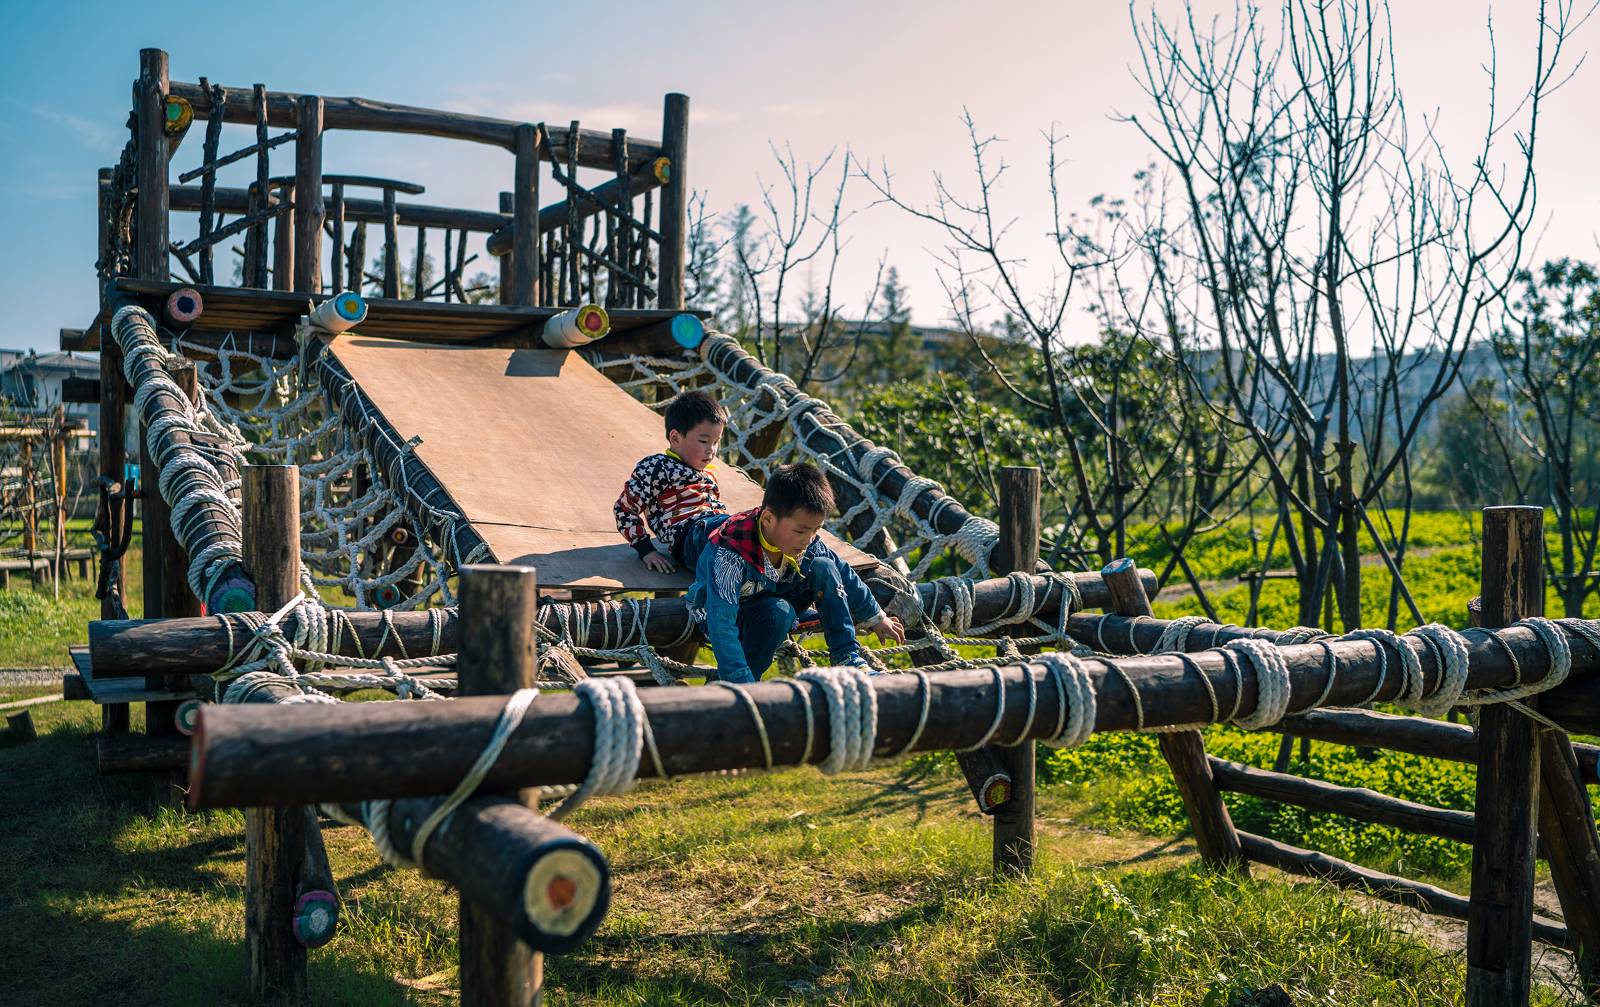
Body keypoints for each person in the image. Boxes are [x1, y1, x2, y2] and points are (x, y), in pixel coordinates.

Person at [687, 462, 905, 684]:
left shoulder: (805, 543)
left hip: (769, 593)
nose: (808, 539)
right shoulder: (730, 555)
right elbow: (721, 622)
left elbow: (843, 572)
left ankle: (846, 656)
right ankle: (741, 682)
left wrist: (877, 617)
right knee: (779, 612)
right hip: (722, 609)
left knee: (825, 566)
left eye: (815, 530)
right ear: (768, 519)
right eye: (800, 531)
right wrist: (737, 676)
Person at [613, 390, 730, 575]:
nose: (712, 450)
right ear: (675, 438)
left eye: (716, 442)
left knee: (760, 531)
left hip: (718, 530)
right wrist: (645, 549)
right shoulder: (658, 466)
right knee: (738, 531)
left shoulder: (708, 476)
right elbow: (624, 509)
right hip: (690, 535)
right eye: (704, 441)